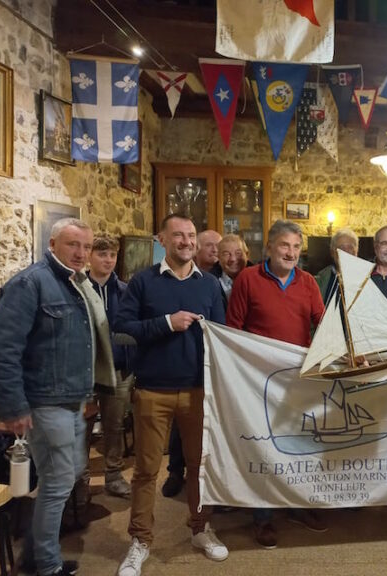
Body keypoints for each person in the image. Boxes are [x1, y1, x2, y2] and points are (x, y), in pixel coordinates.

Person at [0, 218, 116, 576]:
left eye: (86, 247)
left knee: (67, 473)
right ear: (53, 242)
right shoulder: (31, 283)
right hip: (45, 401)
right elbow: (2, 349)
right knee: (59, 480)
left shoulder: (77, 284)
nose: (81, 253)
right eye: (73, 244)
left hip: (72, 398)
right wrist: (13, 406)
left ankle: (33, 551)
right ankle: (45, 564)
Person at [116, 214, 228, 576]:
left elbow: (221, 337)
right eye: (178, 235)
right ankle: (141, 541)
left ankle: (199, 529)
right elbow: (122, 328)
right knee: (147, 471)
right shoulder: (142, 282)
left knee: (199, 467)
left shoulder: (209, 285)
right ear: (161, 239)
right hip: (152, 392)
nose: (186, 241)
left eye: (191, 235)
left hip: (198, 392)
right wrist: (167, 323)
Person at [227, 219, 326, 549]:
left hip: (296, 379)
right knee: (264, 449)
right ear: (268, 247)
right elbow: (233, 330)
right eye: (285, 245)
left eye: (297, 247)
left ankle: (297, 505)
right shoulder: (247, 279)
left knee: (299, 446)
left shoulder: (309, 282)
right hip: (257, 380)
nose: (292, 253)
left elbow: (322, 326)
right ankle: (263, 517)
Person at [162, 228, 222, 498]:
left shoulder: (218, 279)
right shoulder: (192, 278)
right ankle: (176, 470)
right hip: (185, 367)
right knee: (182, 424)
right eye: (209, 246)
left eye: (218, 247)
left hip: (216, 363)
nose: (216, 252)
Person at [88, 235, 134, 498]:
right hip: (86, 370)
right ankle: (79, 479)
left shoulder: (125, 291)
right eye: (102, 254)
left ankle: (114, 475)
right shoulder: (77, 287)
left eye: (112, 256)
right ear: (90, 256)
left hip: (118, 368)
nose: (107, 260)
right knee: (81, 428)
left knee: (114, 424)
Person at [315, 228, 358, 303]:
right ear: (332, 252)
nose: (346, 252)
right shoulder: (319, 279)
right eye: (341, 248)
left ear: (356, 251)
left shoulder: (368, 277)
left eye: (350, 247)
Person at [215, 233, 250, 305]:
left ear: (246, 255)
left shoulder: (258, 280)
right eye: (226, 254)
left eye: (238, 253)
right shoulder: (210, 282)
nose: (233, 259)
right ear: (218, 257)